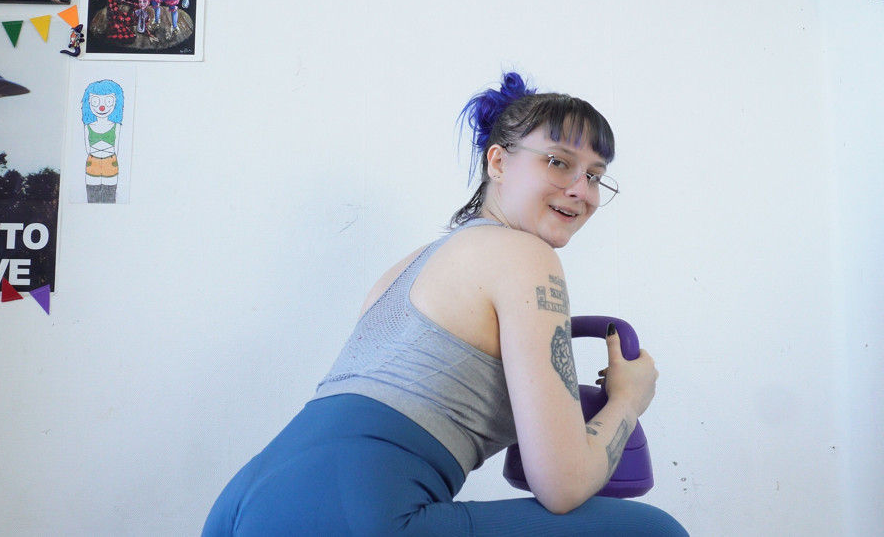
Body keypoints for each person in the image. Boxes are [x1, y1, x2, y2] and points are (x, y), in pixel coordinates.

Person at [202, 72, 688, 536]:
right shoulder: (527, 256)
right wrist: (627, 400)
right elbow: (563, 484)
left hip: (240, 507)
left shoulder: (408, 268)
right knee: (655, 532)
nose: (581, 190)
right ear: (498, 163)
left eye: (596, 176)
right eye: (559, 162)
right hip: (357, 514)